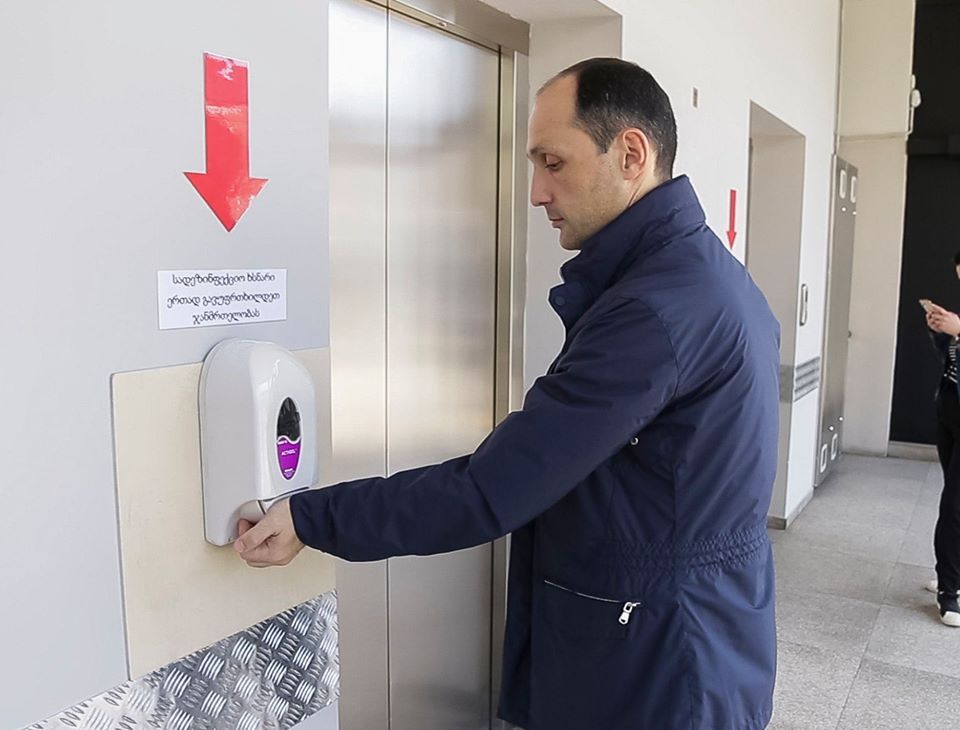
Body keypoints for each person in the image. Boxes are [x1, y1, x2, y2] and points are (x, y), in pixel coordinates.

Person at [234, 58, 781, 729]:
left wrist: (312, 518)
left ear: (631, 154)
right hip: (697, 634)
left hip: (658, 661)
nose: (537, 192)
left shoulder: (653, 312)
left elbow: (490, 490)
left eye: (553, 162)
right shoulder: (707, 278)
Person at [924, 254, 960, 627]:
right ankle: (950, 573)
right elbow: (949, 360)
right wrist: (941, 331)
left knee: (954, 507)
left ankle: (950, 592)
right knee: (953, 499)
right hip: (949, 415)